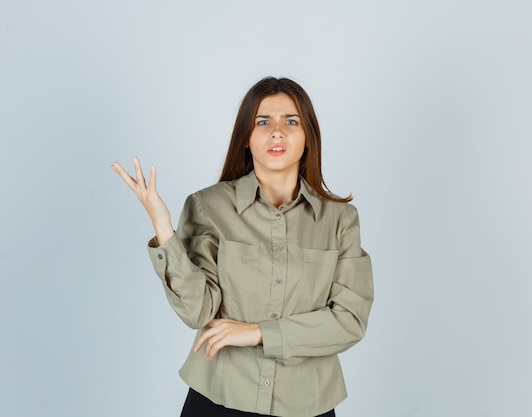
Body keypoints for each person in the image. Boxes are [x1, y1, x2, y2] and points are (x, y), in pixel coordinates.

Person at [111, 77, 374, 417]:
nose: (276, 132)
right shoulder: (209, 207)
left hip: (307, 404)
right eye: (262, 121)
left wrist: (258, 333)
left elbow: (350, 320)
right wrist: (164, 229)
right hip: (219, 397)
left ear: (308, 137)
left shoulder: (340, 220)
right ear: (246, 139)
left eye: (290, 121)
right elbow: (199, 312)